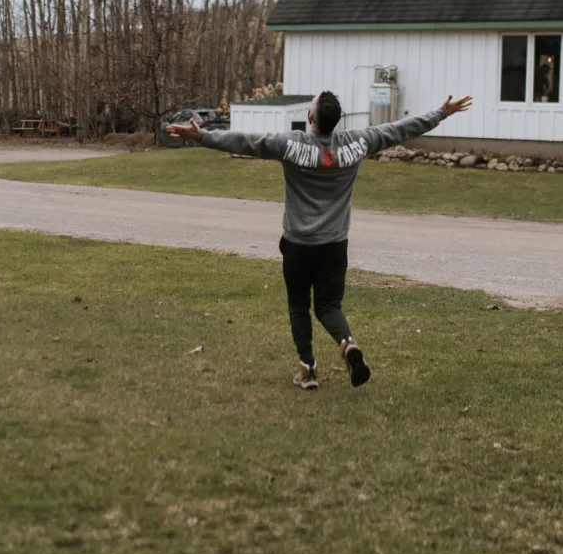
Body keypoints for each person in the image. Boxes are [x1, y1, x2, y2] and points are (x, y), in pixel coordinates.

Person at [168, 91, 472, 390]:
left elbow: (247, 142)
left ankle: (308, 369)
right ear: (338, 120)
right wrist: (442, 112)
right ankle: (347, 344)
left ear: (309, 117)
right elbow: (401, 129)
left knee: (299, 305)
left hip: (298, 244)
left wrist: (201, 137)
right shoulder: (358, 142)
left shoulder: (289, 144)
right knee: (328, 306)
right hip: (334, 245)